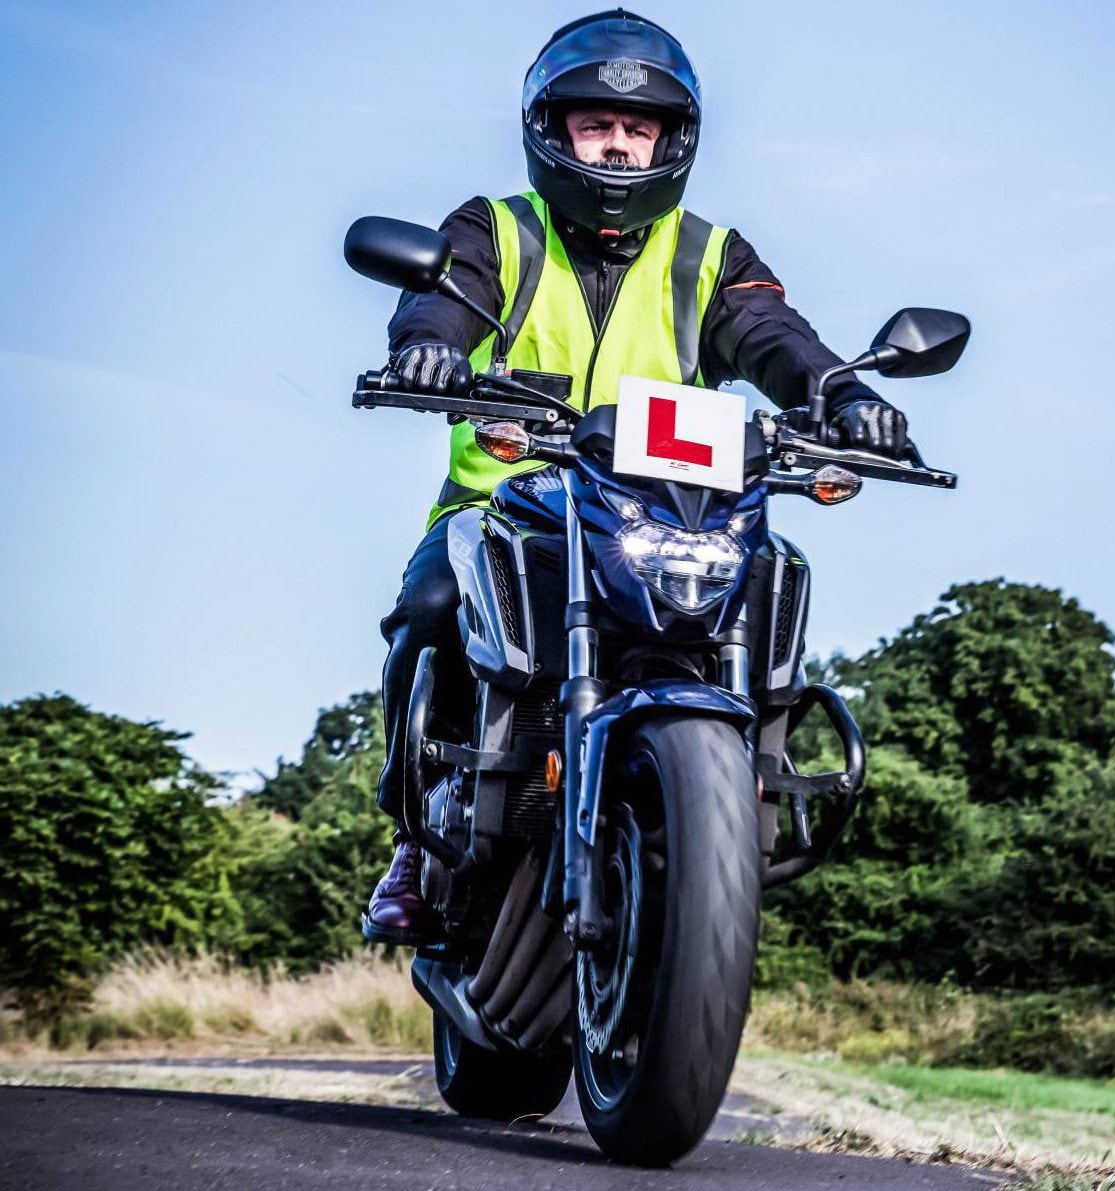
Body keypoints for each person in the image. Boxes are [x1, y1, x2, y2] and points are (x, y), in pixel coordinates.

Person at [364, 9, 910, 942]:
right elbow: (439, 301)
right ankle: (418, 841)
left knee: (772, 580)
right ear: (553, 131)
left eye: (638, 128)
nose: (618, 146)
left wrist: (844, 395)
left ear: (669, 140)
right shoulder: (496, 229)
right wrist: (426, 350)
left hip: (668, 510)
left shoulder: (710, 255)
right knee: (429, 603)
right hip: (508, 506)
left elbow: (776, 338)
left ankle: (733, 808)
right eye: (596, 125)